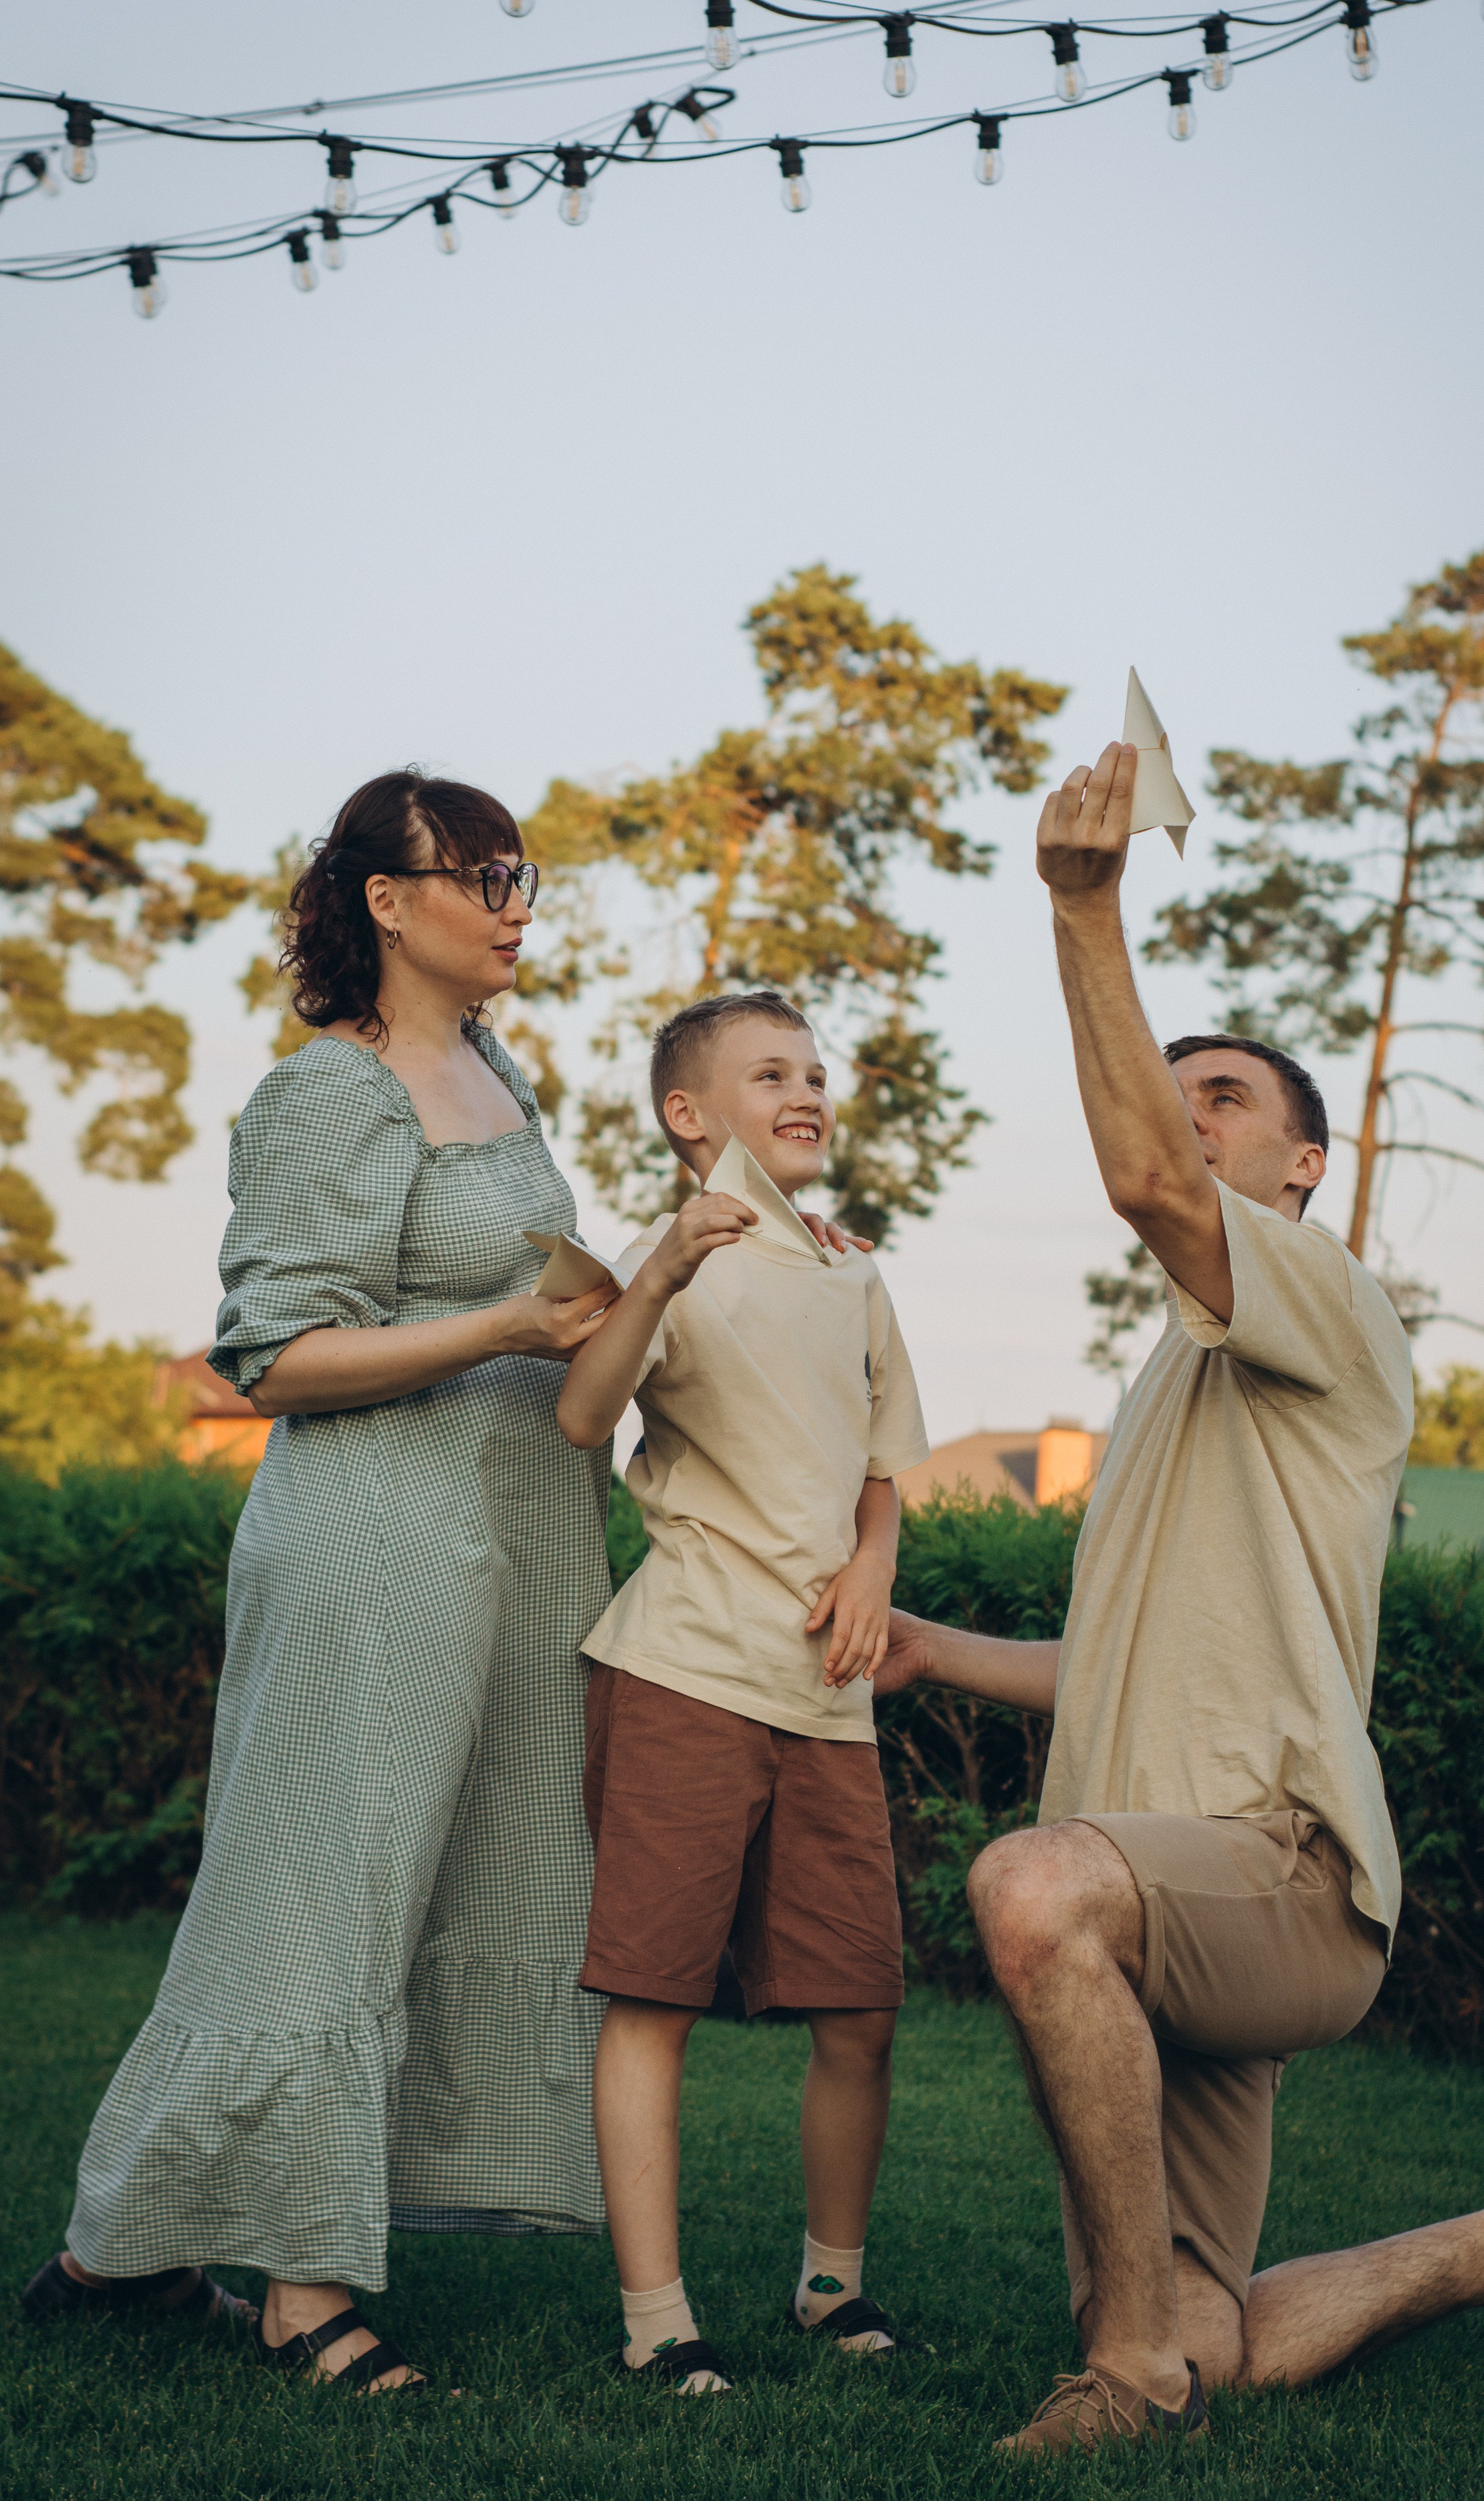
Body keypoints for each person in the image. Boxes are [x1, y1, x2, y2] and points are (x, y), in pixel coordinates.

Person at [875, 740, 1484, 2458]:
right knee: (1210, 2330)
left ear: (1305, 1169)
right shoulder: (1170, 1382)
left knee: (1024, 1881)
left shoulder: (1326, 1305)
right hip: (1158, 1891)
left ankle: (1126, 2381)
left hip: (1280, 1873)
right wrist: (927, 1650)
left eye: (1222, 1095)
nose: (1183, 1111)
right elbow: (1119, 1663)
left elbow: (1148, 1180)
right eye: (1176, 1084)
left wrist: (1082, 912)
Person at [23, 771, 627, 2391]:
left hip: (499, 1545)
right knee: (327, 1899)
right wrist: (505, 1326)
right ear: (383, 899)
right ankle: (304, 2297)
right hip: (371, 1543)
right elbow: (273, 1356)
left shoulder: (494, 1072)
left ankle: (110, 2263)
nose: (515, 901)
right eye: (483, 872)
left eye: (524, 873)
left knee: (428, 1895)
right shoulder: (333, 1093)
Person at [554, 991, 931, 2393]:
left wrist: (876, 1565)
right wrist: (652, 1272)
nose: (807, 1091)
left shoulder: (851, 1272)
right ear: (687, 1114)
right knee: (652, 2003)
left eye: (816, 1074)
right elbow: (584, 1415)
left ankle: (830, 2291)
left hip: (826, 1697)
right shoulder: (663, 1264)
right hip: (682, 1675)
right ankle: (659, 2324)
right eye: (770, 1073)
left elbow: (882, 1468)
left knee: (861, 2010)